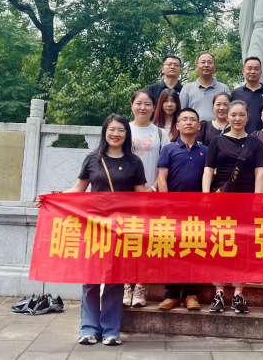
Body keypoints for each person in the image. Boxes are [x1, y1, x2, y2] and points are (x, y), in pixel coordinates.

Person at [36, 114, 147, 346]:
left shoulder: (134, 162)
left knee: (115, 280)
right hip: (94, 227)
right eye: (111, 129)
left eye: (121, 130)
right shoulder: (92, 160)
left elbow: (141, 197)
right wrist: (51, 198)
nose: (115, 134)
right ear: (105, 132)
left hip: (121, 229)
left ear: (126, 134)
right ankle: (88, 329)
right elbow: (78, 189)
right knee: (90, 279)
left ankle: (111, 331)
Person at [202, 100, 263, 314]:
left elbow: (260, 173)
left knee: (243, 247)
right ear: (226, 117)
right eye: (233, 115)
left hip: (246, 201)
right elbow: (208, 170)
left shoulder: (255, 143)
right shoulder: (217, 141)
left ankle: (239, 293)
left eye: (241, 115)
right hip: (220, 200)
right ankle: (219, 292)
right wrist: (206, 197)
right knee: (219, 244)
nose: (237, 118)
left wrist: (257, 200)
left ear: (248, 118)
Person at [156, 108, 208, 312]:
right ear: (177, 125)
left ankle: (191, 294)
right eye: (184, 119)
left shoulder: (205, 151)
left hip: (198, 211)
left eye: (193, 119)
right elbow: (162, 178)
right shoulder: (169, 149)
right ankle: (171, 294)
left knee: (194, 250)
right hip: (173, 209)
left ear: (198, 126)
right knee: (172, 250)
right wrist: (166, 205)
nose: (188, 122)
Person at [124, 89, 170, 308]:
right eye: (139, 103)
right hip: (125, 196)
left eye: (147, 104)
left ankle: (141, 287)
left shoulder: (160, 134)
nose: (143, 107)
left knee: (145, 242)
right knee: (126, 242)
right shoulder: (123, 130)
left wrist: (153, 188)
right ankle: (126, 285)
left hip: (151, 195)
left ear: (154, 107)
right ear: (132, 105)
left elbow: (164, 167)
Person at [231, 57, 263, 134]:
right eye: (249, 68)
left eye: (256, 69)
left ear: (260, 72)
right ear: (243, 71)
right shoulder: (236, 93)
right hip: (241, 136)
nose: (252, 72)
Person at [180, 52, 230, 122]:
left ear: (214, 67)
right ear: (196, 66)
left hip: (217, 127)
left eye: (209, 62)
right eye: (203, 62)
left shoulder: (223, 88)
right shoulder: (187, 88)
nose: (206, 65)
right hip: (193, 127)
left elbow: (229, 111)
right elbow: (181, 112)